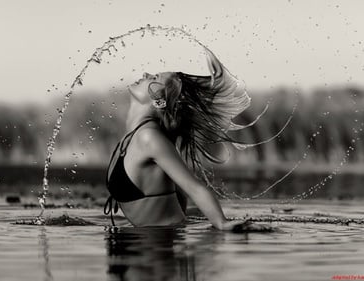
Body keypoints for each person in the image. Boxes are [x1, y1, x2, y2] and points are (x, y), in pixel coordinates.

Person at [104, 48, 261, 231]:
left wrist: (221, 223)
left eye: (154, 78)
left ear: (159, 101)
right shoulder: (132, 136)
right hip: (146, 245)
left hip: (160, 243)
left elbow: (194, 188)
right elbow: (178, 192)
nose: (146, 74)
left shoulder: (148, 138)